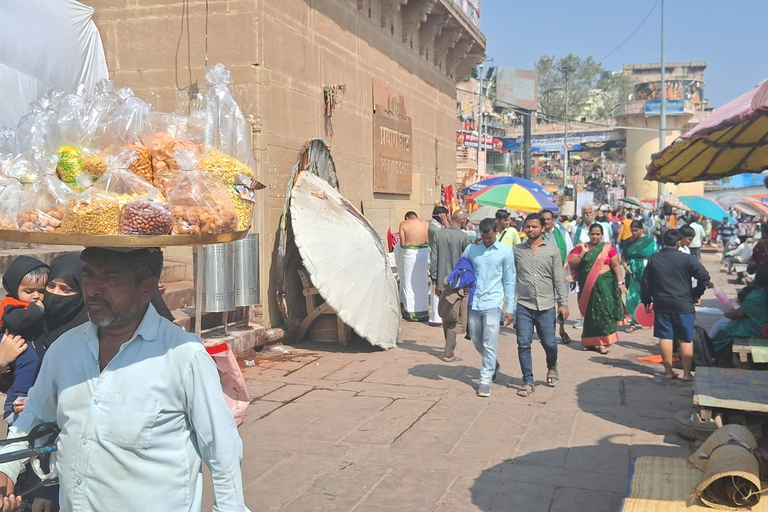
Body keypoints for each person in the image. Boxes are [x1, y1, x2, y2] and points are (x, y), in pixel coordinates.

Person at [0, 248, 248, 512]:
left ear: (146, 288)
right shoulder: (66, 349)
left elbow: (222, 448)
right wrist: (7, 468)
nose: (93, 289)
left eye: (110, 278)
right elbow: (34, 415)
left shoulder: (184, 355)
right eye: (89, 276)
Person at [641, 230, 711, 381]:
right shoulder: (687, 259)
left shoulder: (654, 259)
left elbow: (645, 282)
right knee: (685, 338)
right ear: (679, 243)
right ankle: (686, 373)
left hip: (662, 303)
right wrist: (696, 294)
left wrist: (646, 301)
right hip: (683, 304)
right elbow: (704, 277)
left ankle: (668, 371)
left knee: (665, 336)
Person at [513, 214, 569, 397]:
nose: (530, 230)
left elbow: (559, 279)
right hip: (524, 304)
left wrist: (564, 303)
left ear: (542, 228)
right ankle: (528, 381)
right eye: (527, 226)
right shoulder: (517, 250)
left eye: (534, 227)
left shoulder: (552, 250)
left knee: (550, 343)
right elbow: (510, 274)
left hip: (546, 305)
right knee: (523, 344)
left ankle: (552, 366)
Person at [462, 218, 516, 398]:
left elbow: (509, 280)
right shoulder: (472, 249)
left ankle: (485, 380)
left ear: (496, 233)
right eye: (484, 237)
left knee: (489, 342)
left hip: (493, 303)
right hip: (474, 302)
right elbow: (461, 266)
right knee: (477, 340)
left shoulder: (505, 252)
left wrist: (510, 308)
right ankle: (492, 363)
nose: (486, 240)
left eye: (490, 237)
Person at [568, 224, 628, 354]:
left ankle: (603, 342)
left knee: (603, 311)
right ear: (589, 234)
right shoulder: (581, 247)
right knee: (589, 314)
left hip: (605, 284)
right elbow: (571, 264)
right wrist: (582, 254)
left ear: (602, 235)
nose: (595, 236)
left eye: (597, 234)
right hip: (587, 286)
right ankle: (589, 342)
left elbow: (616, 266)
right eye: (592, 234)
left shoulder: (608, 248)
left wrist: (620, 282)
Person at [430, 210, 471, 361]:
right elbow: (468, 263)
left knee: (446, 314)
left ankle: (449, 345)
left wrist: (434, 280)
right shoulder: (464, 238)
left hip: (442, 281)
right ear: (462, 221)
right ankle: (448, 352)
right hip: (458, 283)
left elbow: (434, 259)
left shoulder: (438, 235)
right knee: (454, 316)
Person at [711, 270, 768, 359]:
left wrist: (728, 312)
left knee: (726, 329)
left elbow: (738, 314)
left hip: (761, 330)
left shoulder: (756, 296)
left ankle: (713, 352)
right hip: (763, 328)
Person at [540, 209, 573, 344]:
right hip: (543, 274)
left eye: (548, 219)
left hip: (559, 272)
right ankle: (547, 332)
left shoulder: (562, 234)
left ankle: (562, 329)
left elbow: (570, 253)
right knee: (546, 304)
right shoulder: (537, 235)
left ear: (553, 220)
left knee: (561, 302)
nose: (546, 222)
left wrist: (569, 273)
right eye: (544, 219)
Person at [621, 221, 657, 333]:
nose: (634, 233)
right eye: (632, 230)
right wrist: (626, 267)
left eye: (636, 230)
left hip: (646, 269)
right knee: (632, 296)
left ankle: (648, 320)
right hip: (632, 270)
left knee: (648, 294)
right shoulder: (627, 241)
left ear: (642, 229)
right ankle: (632, 322)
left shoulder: (649, 241)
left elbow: (655, 255)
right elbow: (622, 256)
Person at [397, 211, 430, 321]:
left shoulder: (403, 224)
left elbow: (402, 243)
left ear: (407, 217)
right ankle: (423, 311)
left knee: (409, 281)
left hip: (409, 254)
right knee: (422, 281)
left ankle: (410, 313)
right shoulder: (426, 223)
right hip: (424, 253)